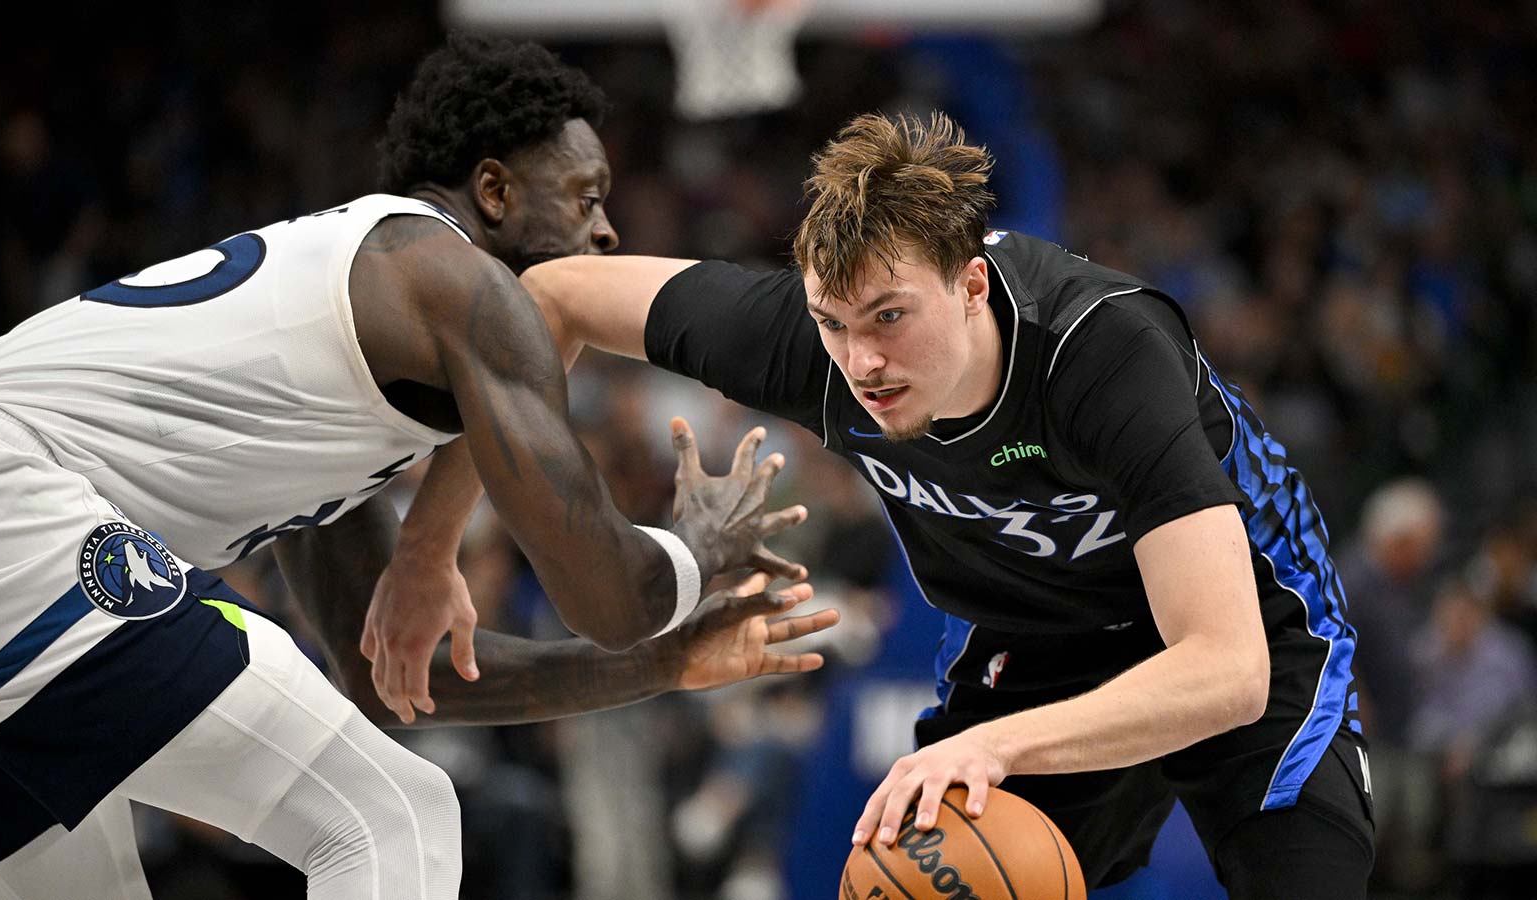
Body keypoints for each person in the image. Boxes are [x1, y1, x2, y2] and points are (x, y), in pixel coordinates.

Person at [0, 35, 827, 899]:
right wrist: (697, 547)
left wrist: (664, 664)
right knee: (393, 817)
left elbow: (395, 678)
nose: (607, 230)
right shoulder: (453, 279)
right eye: (585, 196)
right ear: (494, 190)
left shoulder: (331, 352)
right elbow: (609, 598)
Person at [516, 112, 1374, 897]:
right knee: (920, 874)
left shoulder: (1103, 354)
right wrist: (453, 548)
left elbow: (1228, 670)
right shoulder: (802, 343)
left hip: (1249, 616)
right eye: (833, 323)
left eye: (889, 318)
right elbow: (547, 298)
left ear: (971, 284)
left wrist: (997, 743)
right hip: (1041, 636)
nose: (863, 362)